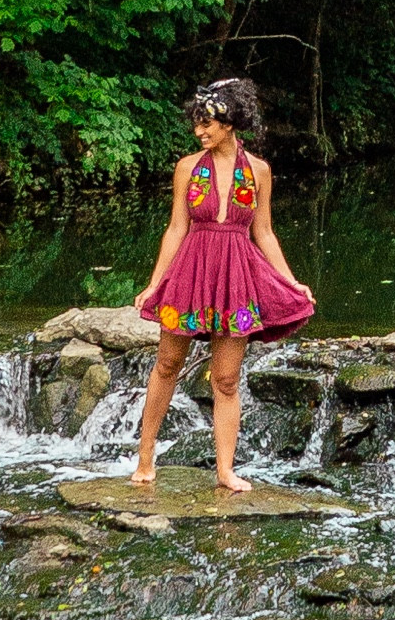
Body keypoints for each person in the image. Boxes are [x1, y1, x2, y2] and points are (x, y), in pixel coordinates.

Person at [129, 78, 315, 493]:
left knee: (227, 380)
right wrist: (155, 283)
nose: (200, 131)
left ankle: (225, 472)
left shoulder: (260, 171)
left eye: (207, 123)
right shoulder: (188, 168)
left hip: (236, 276)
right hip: (191, 271)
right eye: (197, 124)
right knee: (167, 364)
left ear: (230, 123)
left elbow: (264, 233)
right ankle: (145, 459)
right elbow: (177, 228)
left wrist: (290, 281)